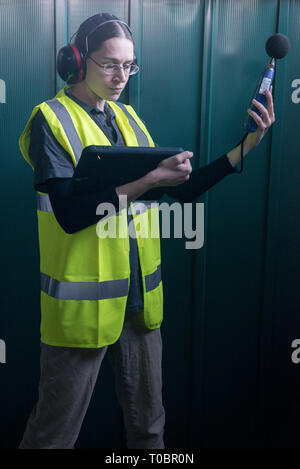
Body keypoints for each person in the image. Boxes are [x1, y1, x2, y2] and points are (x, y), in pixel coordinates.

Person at [18, 13, 275, 449]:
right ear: (77, 60)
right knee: (52, 436)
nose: (121, 76)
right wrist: (147, 181)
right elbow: (71, 213)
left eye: (129, 65)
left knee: (149, 429)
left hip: (139, 305)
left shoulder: (129, 119)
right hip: (84, 312)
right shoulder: (51, 120)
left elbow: (185, 190)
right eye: (109, 64)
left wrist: (247, 145)